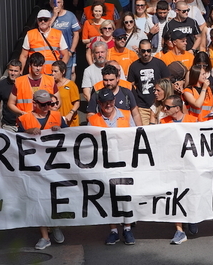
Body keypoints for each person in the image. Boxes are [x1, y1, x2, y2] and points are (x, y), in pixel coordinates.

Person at [16, 90, 67, 250]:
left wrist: (62, 130)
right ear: (35, 104)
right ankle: (44, 236)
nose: (47, 107)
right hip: (35, 167)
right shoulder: (24, 119)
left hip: (55, 166)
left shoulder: (57, 116)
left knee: (55, 198)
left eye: (49, 104)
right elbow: (16, 142)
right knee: (38, 199)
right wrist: (27, 132)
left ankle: (56, 225)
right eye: (43, 104)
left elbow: (71, 137)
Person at [88, 88, 137, 245]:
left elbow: (135, 137)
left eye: (110, 101)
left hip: (124, 163)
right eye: (104, 103)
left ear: (114, 101)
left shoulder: (127, 115)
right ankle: (113, 230)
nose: (108, 105)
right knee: (109, 198)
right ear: (99, 103)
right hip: (105, 164)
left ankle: (127, 228)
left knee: (126, 196)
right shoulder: (93, 120)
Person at [160, 95, 199, 244]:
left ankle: (192, 218)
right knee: (175, 196)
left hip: (190, 165)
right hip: (172, 165)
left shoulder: (193, 121)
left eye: (167, 107)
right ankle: (179, 230)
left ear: (177, 108)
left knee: (191, 193)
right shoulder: (163, 122)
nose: (164, 109)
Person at [128, 39, 170, 125]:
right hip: (142, 106)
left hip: (158, 105)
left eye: (148, 50)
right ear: (139, 50)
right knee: (146, 131)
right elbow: (130, 85)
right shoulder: (134, 66)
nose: (146, 53)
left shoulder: (159, 63)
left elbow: (167, 82)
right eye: (143, 51)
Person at [19, 9, 69, 76]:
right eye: (40, 20)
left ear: (50, 20)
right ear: (37, 21)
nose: (43, 21)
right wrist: (20, 72)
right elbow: (23, 56)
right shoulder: (30, 34)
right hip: (35, 75)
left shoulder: (58, 34)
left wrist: (60, 70)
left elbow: (66, 54)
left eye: (45, 19)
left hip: (52, 74)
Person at [7, 52, 57, 117]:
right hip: (25, 120)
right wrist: (21, 113)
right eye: (35, 65)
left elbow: (58, 102)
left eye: (40, 65)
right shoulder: (19, 81)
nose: (38, 68)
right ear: (30, 65)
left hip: (45, 120)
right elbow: (10, 103)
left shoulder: (50, 80)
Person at [50, 0, 81, 80]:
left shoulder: (70, 15)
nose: (56, 5)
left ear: (62, 3)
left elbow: (76, 34)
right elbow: (44, 29)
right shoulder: (48, 16)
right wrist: (54, 16)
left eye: (58, 2)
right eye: (54, 3)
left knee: (67, 76)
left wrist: (71, 50)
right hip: (53, 54)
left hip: (67, 52)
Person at [0, 59, 22, 131]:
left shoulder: (26, 83)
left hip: (24, 124)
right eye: (11, 70)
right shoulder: (2, 84)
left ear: (20, 71)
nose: (13, 73)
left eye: (16, 71)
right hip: (7, 125)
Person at [51, 60, 80, 126]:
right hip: (56, 121)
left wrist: (71, 113)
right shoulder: (51, 85)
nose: (53, 73)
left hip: (69, 121)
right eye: (52, 71)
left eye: (55, 71)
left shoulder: (71, 85)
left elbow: (77, 102)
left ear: (63, 71)